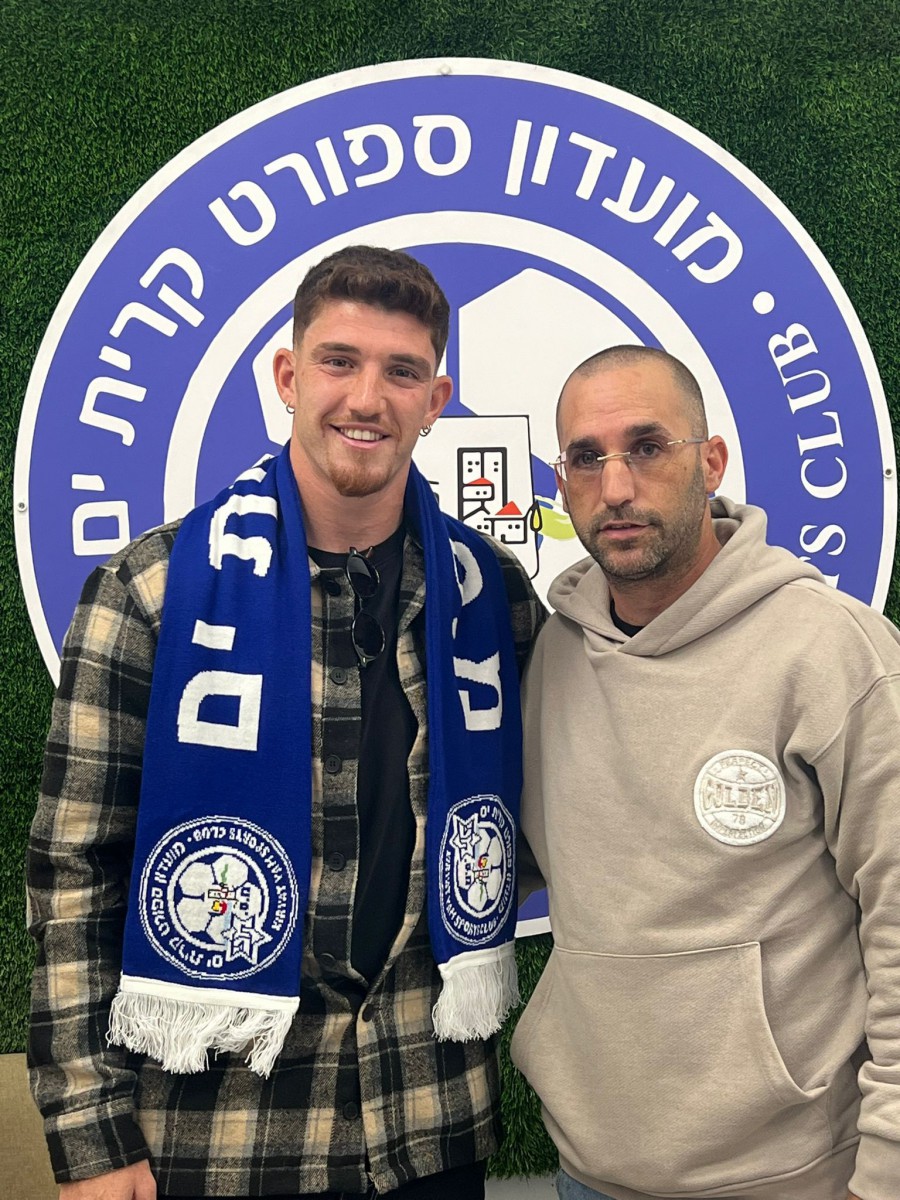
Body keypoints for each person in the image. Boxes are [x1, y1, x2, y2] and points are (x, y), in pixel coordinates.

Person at [28, 245, 544, 1200]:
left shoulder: (491, 597)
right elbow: (75, 874)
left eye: (402, 372)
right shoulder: (151, 592)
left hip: (431, 1126)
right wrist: (90, 1137)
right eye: (339, 361)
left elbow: (555, 812)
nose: (367, 398)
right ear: (288, 376)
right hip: (222, 1139)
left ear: (436, 400)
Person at [511, 343, 900, 1200]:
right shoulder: (552, 660)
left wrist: (886, 1175)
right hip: (590, 1173)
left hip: (794, 1177)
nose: (616, 486)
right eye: (587, 458)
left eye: (648, 447)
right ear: (563, 481)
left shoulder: (831, 652)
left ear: (711, 461)